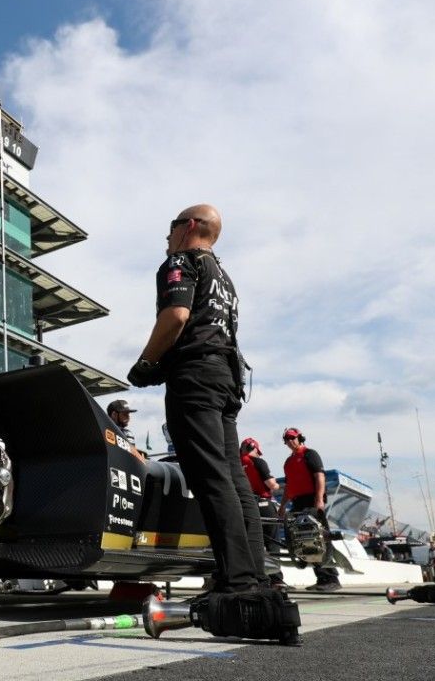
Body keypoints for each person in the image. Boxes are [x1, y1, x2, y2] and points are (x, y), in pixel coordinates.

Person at [127, 204, 266, 594]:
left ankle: (236, 580)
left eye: (170, 229)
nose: (167, 238)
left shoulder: (182, 260)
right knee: (234, 481)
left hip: (196, 379)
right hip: (226, 378)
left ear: (188, 227)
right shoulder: (224, 275)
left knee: (210, 478)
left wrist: (147, 362)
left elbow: (176, 316)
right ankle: (256, 575)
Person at [279, 427, 341, 591]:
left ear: (299, 438)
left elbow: (319, 476)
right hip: (297, 503)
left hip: (312, 500)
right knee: (305, 540)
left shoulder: (310, 454)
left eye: (292, 438)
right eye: (286, 439)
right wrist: (283, 505)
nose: (289, 441)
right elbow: (288, 485)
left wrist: (319, 499)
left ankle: (331, 578)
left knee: (319, 538)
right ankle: (321, 578)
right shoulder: (288, 461)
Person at [240, 437, 287, 587]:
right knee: (272, 541)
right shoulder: (258, 462)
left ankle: (255, 576)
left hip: (246, 506)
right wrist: (278, 485)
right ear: (254, 448)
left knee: (253, 542)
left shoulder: (235, 464)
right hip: (264, 504)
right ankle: (276, 579)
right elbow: (271, 485)